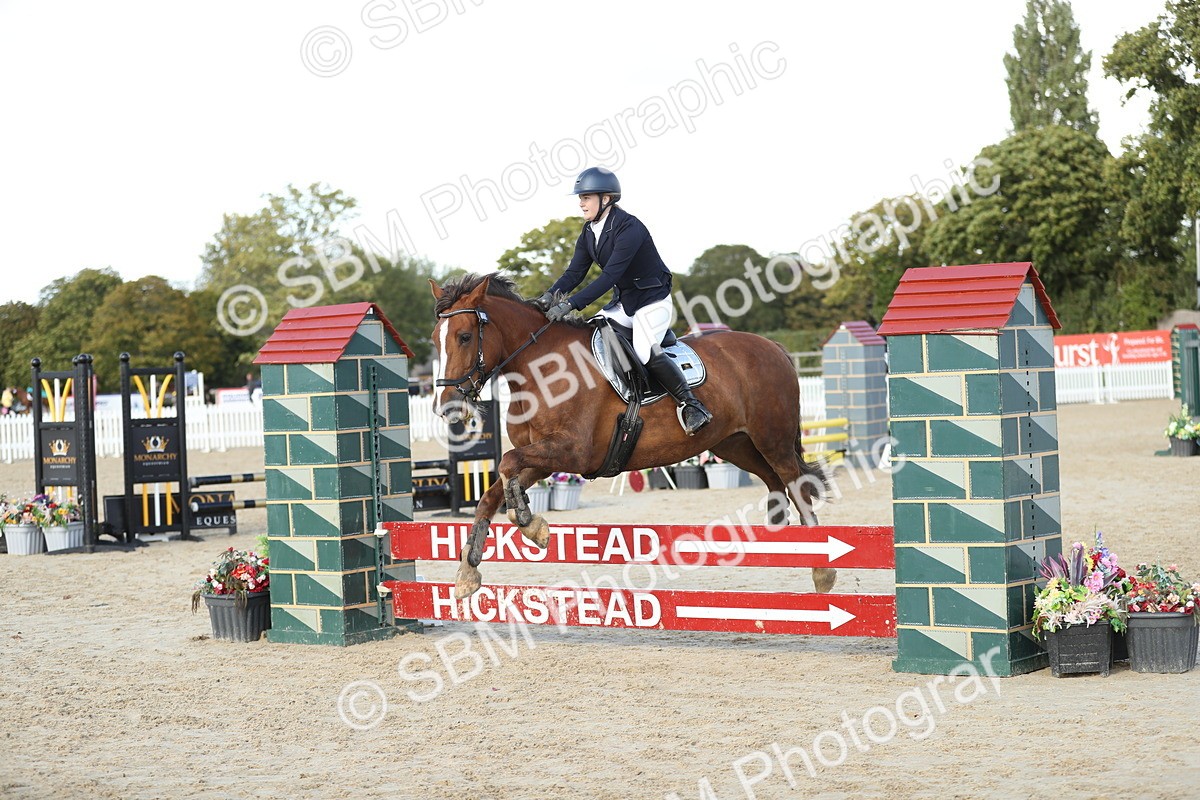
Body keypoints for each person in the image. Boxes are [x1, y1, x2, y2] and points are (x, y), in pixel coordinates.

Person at [534, 167, 712, 435]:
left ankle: (691, 404)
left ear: (606, 199)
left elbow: (609, 276)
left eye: (586, 197)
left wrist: (572, 304)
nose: (580, 202)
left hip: (652, 300)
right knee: (592, 336)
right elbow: (574, 273)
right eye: (580, 197)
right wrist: (549, 296)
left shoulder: (630, 228)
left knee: (643, 350)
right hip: (624, 302)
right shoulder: (589, 232)